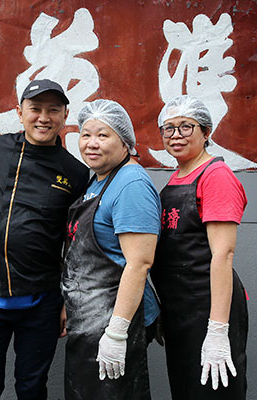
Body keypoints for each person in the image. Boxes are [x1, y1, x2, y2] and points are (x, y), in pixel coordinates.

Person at [0, 79, 88, 400]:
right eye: (35, 109)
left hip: (42, 302)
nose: (43, 118)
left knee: (32, 389)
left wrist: (65, 299)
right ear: (20, 113)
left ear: (65, 116)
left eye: (53, 110)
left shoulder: (75, 172)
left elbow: (75, 243)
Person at [61, 99, 161, 400]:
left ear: (125, 141)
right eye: (85, 134)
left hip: (114, 323)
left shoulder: (131, 184)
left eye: (103, 135)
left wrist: (117, 333)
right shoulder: (98, 181)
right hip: (89, 320)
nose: (91, 143)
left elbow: (139, 263)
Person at [151, 95, 248, 399]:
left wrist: (217, 330)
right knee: (186, 388)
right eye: (168, 129)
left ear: (206, 132)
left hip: (208, 308)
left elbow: (223, 254)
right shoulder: (177, 177)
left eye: (186, 127)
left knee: (212, 391)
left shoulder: (216, 177)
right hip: (179, 308)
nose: (176, 136)